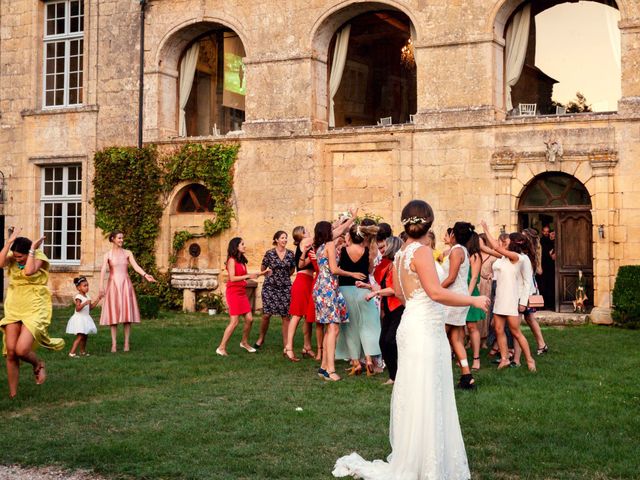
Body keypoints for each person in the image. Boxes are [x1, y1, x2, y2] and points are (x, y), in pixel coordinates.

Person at [333, 200, 489, 479]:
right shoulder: (423, 252)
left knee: (416, 390)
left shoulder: (401, 253)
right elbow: (436, 293)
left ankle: (414, 456)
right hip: (425, 329)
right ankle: (427, 465)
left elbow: (402, 295)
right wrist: (473, 298)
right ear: (429, 222)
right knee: (428, 390)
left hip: (412, 323)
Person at [0, 229, 65, 398]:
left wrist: (31, 251)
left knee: (22, 350)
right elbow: (0, 263)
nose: (16, 259)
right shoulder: (13, 256)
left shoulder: (39, 257)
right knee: (11, 351)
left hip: (35, 305)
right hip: (15, 304)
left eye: (19, 256)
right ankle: (13, 394)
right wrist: (8, 243)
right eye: (15, 255)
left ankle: (38, 364)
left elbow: (28, 271)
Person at [313, 221, 365, 382]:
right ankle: (330, 370)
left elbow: (340, 229)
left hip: (327, 287)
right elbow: (334, 269)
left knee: (331, 329)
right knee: (333, 328)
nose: (335, 230)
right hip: (327, 288)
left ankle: (323, 367)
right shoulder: (328, 244)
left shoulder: (321, 245)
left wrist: (351, 218)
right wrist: (352, 274)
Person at [480, 223, 536, 372]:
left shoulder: (517, 258)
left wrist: (486, 231)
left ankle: (530, 360)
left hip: (511, 300)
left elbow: (496, 248)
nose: (506, 242)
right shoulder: (504, 257)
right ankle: (504, 358)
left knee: (516, 331)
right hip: (500, 298)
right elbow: (493, 250)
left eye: (509, 240)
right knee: (498, 329)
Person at [99, 231, 156, 353]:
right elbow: (103, 270)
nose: (121, 240)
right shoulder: (107, 255)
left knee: (126, 315)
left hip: (125, 285)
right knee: (113, 315)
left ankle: (126, 343)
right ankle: (114, 344)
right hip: (113, 285)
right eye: (119, 238)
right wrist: (100, 286)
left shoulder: (127, 253)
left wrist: (146, 275)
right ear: (113, 239)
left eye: (122, 238)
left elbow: (136, 266)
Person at [335, 223, 380, 376]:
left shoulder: (342, 250)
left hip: (345, 291)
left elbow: (338, 268)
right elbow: (370, 270)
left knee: (349, 327)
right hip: (362, 291)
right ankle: (368, 359)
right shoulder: (367, 251)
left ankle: (355, 362)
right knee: (367, 325)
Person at [216, 237, 269, 356]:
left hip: (241, 292)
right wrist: (248, 277)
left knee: (250, 319)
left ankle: (244, 342)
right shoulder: (231, 260)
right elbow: (233, 278)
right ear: (236, 247)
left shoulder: (242, 261)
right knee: (234, 322)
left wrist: (262, 273)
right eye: (242, 244)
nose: (245, 246)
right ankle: (221, 347)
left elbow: (246, 275)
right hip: (233, 293)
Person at [441, 222, 474, 389]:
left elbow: (451, 277)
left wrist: (435, 290)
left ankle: (440, 375)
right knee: (456, 339)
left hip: (453, 298)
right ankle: (467, 376)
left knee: (439, 336)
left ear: (453, 233)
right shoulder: (464, 250)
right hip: (460, 297)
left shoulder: (456, 251)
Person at [367, 236, 404, 384]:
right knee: (383, 342)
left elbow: (394, 290)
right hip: (388, 308)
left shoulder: (397, 266)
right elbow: (382, 287)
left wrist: (375, 293)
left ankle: (399, 375)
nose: (382, 250)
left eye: (384, 247)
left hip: (398, 307)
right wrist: (368, 287)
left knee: (390, 341)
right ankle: (393, 376)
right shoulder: (388, 265)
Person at [254, 231, 296, 356]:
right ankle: (261, 338)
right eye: (282, 238)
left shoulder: (290, 254)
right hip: (270, 287)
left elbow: (292, 269)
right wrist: (268, 272)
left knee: (285, 316)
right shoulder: (269, 253)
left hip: (285, 287)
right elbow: (263, 268)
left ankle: (286, 345)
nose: (285, 240)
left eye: (286, 238)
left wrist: (283, 277)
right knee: (267, 314)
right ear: (276, 240)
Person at [284, 226, 319, 362]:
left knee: (308, 316)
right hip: (302, 282)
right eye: (306, 230)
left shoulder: (309, 245)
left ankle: (307, 346)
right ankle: (289, 347)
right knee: (297, 315)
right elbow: (328, 234)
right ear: (302, 234)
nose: (309, 231)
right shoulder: (304, 242)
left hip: (310, 281)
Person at [66, 276, 102, 357]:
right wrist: (84, 303)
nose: (87, 287)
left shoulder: (87, 296)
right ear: (78, 288)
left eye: (87, 285)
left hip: (85, 318)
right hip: (79, 318)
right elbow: (78, 308)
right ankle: (72, 353)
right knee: (80, 336)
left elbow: (90, 308)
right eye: (84, 286)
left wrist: (98, 299)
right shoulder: (78, 297)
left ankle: (82, 352)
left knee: (85, 336)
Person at [465, 232, 485, 371]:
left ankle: (476, 358)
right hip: (460, 292)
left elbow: (474, 277)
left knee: (472, 326)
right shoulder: (462, 254)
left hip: (470, 293)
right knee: (460, 327)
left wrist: (468, 297)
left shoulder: (475, 256)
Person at [539, 225, 556, 309]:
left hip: (551, 267)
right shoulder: (540, 241)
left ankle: (551, 304)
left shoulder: (553, 241)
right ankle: (542, 305)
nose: (546, 233)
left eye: (547, 231)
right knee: (543, 286)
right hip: (543, 266)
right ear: (542, 232)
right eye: (544, 231)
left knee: (551, 285)